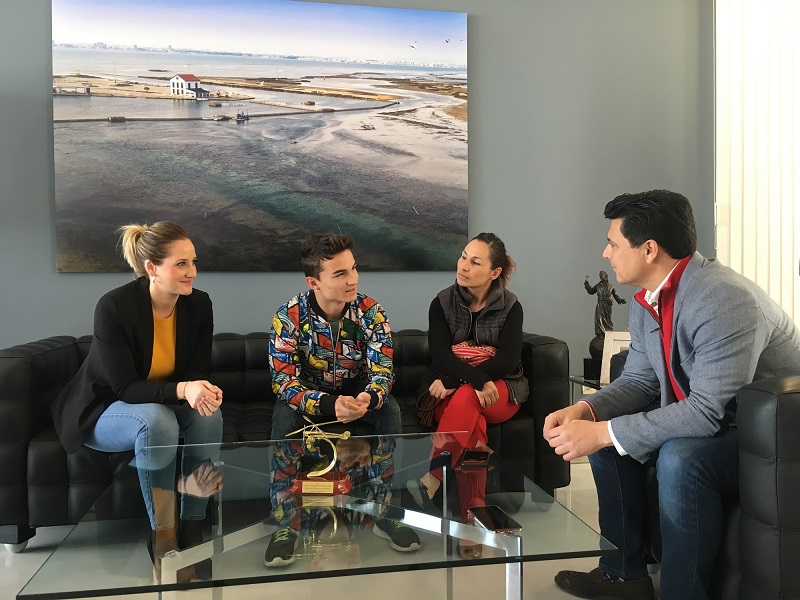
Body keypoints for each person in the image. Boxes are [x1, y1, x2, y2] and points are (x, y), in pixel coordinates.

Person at [544, 190, 800, 600]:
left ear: (649, 249)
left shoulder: (723, 298)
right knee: (605, 440)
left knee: (681, 459)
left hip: (770, 440)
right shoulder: (648, 298)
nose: (605, 253)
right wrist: (586, 409)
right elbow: (639, 381)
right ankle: (623, 577)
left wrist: (604, 432)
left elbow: (707, 412)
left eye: (613, 243)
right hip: (720, 418)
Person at [51, 221, 224, 580]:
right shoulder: (115, 307)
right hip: (104, 409)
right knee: (157, 419)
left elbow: (197, 369)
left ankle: (192, 524)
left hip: (160, 403)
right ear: (151, 268)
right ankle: (164, 534)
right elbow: (126, 388)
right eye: (181, 264)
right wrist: (185, 389)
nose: (192, 272)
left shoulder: (199, 304)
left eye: (193, 262)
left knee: (210, 415)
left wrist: (203, 389)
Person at [408, 233, 526, 543]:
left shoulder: (511, 306)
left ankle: (433, 477)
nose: (463, 266)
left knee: (466, 394)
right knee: (474, 426)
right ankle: (472, 518)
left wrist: (456, 380)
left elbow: (506, 362)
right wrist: (472, 379)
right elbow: (440, 355)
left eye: (475, 262)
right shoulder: (442, 302)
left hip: (500, 390)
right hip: (457, 394)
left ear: (495, 272)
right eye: (463, 257)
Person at [268, 232, 401, 439]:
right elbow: (283, 382)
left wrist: (370, 397)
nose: (353, 280)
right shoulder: (288, 316)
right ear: (314, 283)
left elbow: (382, 372)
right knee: (285, 418)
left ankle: (389, 463)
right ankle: (283, 463)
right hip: (308, 392)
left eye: (354, 268)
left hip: (358, 391)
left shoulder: (372, 313)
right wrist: (329, 404)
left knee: (390, 410)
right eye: (340, 274)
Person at [584, 270, 627, 337]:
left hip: (608, 304)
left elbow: (615, 295)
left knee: (607, 318)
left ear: (606, 276)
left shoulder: (611, 286)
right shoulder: (598, 285)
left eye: (602, 274)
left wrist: (620, 300)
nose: (601, 276)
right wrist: (587, 285)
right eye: (600, 275)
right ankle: (600, 333)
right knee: (599, 317)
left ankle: (607, 331)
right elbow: (591, 291)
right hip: (600, 303)